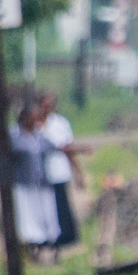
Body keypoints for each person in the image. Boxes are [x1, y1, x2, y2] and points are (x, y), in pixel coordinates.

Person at [9, 102, 60, 259]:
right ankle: (32, 250)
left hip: (41, 184)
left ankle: (50, 248)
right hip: (24, 185)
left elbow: (56, 147)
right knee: (27, 220)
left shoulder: (39, 137)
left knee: (47, 217)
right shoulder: (15, 136)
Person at [38, 92, 87, 252]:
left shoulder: (60, 123)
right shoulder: (35, 124)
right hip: (40, 173)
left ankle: (67, 237)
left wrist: (77, 171)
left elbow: (68, 148)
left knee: (62, 204)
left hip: (58, 170)